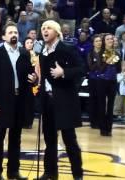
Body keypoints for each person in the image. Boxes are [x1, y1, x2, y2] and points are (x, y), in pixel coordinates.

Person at [0, 22, 37, 180]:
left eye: (15, 32)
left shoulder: (24, 53)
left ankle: (13, 171)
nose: (13, 35)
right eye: (10, 33)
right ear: (3, 36)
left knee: (16, 137)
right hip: (2, 101)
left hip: (20, 99)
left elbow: (30, 75)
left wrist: (34, 79)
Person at [38, 20, 84, 180]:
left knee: (69, 139)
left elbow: (81, 69)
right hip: (47, 100)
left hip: (65, 100)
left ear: (57, 32)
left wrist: (64, 72)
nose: (44, 30)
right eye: (43, 28)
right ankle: (50, 173)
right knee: (49, 139)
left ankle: (77, 175)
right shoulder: (42, 52)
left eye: (48, 28)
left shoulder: (68, 49)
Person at [97, 33, 121, 136]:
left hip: (112, 81)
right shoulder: (100, 52)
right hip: (102, 80)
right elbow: (100, 69)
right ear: (104, 41)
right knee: (102, 105)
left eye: (112, 39)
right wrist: (108, 61)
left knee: (111, 105)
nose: (110, 40)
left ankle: (109, 129)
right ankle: (102, 128)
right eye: (108, 39)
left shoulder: (117, 53)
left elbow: (118, 69)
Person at [87, 34, 103, 129]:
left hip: (102, 80)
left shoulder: (105, 53)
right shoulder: (90, 53)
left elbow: (103, 67)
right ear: (93, 43)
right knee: (93, 100)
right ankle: (93, 121)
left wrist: (97, 63)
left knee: (101, 101)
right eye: (96, 41)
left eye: (100, 41)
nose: (99, 43)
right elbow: (91, 67)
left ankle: (100, 121)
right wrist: (98, 62)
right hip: (93, 79)